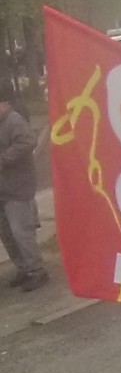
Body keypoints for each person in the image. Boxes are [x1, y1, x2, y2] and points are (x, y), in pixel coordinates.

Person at [0, 82, 48, 292]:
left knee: (21, 232)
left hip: (18, 188)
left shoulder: (13, 120)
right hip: (3, 189)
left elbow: (28, 142)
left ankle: (37, 271)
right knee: (7, 234)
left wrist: (4, 158)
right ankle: (23, 268)